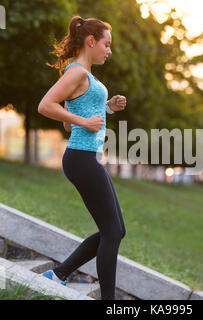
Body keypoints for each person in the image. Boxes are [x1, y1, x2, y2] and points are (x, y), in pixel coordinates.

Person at [38, 15, 127, 300]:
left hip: (87, 158)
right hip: (81, 158)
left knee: (116, 230)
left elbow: (70, 121)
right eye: (107, 44)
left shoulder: (85, 76)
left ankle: (59, 274)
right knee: (112, 232)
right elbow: (45, 106)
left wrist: (108, 107)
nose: (109, 51)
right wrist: (85, 121)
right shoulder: (76, 72)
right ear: (91, 41)